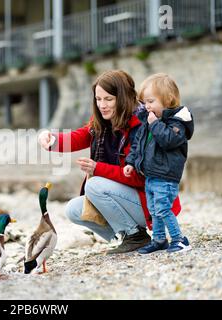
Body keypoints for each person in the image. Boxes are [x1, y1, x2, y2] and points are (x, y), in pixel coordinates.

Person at [38, 70, 181, 254]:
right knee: (74, 209)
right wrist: (52, 140)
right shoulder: (105, 121)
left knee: (95, 185)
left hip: (151, 201)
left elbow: (139, 177)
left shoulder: (142, 125)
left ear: (121, 98)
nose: (102, 105)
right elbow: (80, 136)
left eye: (108, 99)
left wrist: (98, 168)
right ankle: (124, 238)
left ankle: (135, 236)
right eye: (98, 99)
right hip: (128, 200)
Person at [124, 73, 194, 253]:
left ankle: (179, 239)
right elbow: (138, 144)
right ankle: (159, 239)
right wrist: (131, 162)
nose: (146, 106)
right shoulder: (149, 121)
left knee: (163, 209)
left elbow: (169, 140)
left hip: (166, 176)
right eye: (144, 102)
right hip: (151, 176)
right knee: (154, 210)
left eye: (150, 101)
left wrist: (155, 124)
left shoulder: (178, 121)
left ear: (168, 99)